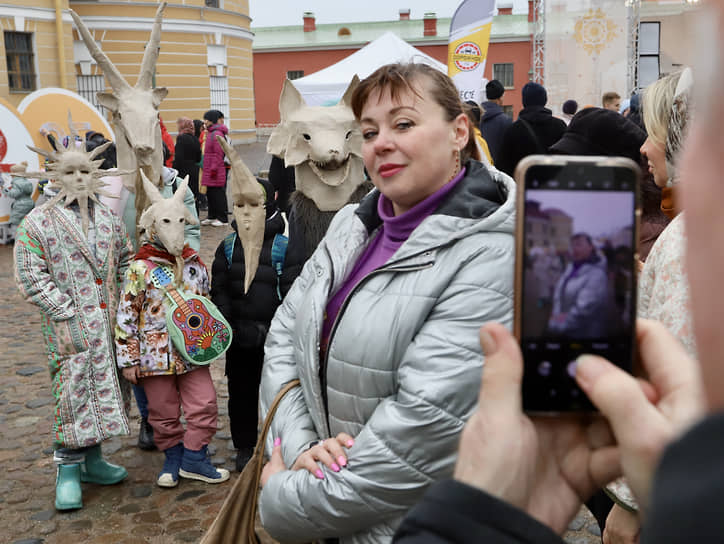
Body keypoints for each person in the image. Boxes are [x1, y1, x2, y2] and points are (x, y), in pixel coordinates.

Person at [256, 62, 516, 543]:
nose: (381, 143)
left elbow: (416, 441)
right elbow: (282, 342)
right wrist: (300, 450)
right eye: (370, 131)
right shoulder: (351, 227)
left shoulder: (490, 256)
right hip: (329, 506)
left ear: (459, 131)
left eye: (404, 124)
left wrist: (285, 498)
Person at [14, 132, 133, 511]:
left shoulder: (108, 220)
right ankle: (67, 469)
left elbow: (125, 259)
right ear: (55, 176)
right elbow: (29, 274)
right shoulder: (38, 223)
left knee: (102, 389)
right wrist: (64, 310)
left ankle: (94, 460)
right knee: (72, 395)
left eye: (86, 170)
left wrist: (126, 301)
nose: (80, 177)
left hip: (108, 325)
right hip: (69, 329)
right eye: (71, 171)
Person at [604, 68, 694, 544]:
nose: (644, 147)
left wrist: (629, 501)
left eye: (654, 133)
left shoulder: (693, 233)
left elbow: (680, 378)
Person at [115, 173, 230, 489]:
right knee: (162, 413)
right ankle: (173, 458)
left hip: (192, 354)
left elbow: (205, 306)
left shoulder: (195, 266)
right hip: (154, 357)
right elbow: (127, 314)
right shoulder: (140, 269)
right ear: (152, 224)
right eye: (166, 222)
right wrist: (129, 359)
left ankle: (194, 456)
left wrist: (211, 342)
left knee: (204, 403)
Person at [210, 177, 304, 472]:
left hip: (274, 339)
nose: (247, 212)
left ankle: (280, 444)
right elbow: (220, 288)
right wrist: (228, 323)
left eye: (254, 204)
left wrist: (277, 330)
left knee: (279, 393)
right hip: (239, 339)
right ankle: (245, 445)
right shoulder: (227, 247)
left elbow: (292, 292)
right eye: (240, 205)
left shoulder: (284, 247)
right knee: (241, 393)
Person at [496, 82, 567, 177]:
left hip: (524, 188)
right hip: (554, 187)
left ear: (524, 101)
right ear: (545, 100)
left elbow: (503, 167)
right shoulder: (560, 126)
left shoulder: (513, 130)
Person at [548, 233, 609, 338]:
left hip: (585, 334)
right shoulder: (571, 267)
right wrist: (556, 315)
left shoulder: (597, 274)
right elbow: (558, 294)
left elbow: (584, 309)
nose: (574, 249)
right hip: (565, 331)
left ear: (591, 247)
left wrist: (558, 325)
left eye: (579, 244)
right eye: (573, 245)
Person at [200, 109, 229, 227]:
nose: (204, 122)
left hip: (215, 170)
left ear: (211, 119)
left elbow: (218, 154)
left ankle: (222, 218)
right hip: (210, 169)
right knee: (211, 194)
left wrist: (213, 168)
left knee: (218, 194)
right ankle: (212, 216)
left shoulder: (217, 134)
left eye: (206, 119)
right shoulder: (211, 133)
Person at [172, 117, 202, 212]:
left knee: (183, 194)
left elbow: (179, 157)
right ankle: (195, 214)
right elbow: (198, 157)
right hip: (194, 170)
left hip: (183, 171)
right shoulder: (195, 138)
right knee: (193, 195)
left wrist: (174, 170)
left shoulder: (181, 138)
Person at [479, 79, 512, 164]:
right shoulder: (505, 121)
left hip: (479, 170)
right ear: (500, 98)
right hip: (499, 171)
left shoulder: (476, 117)